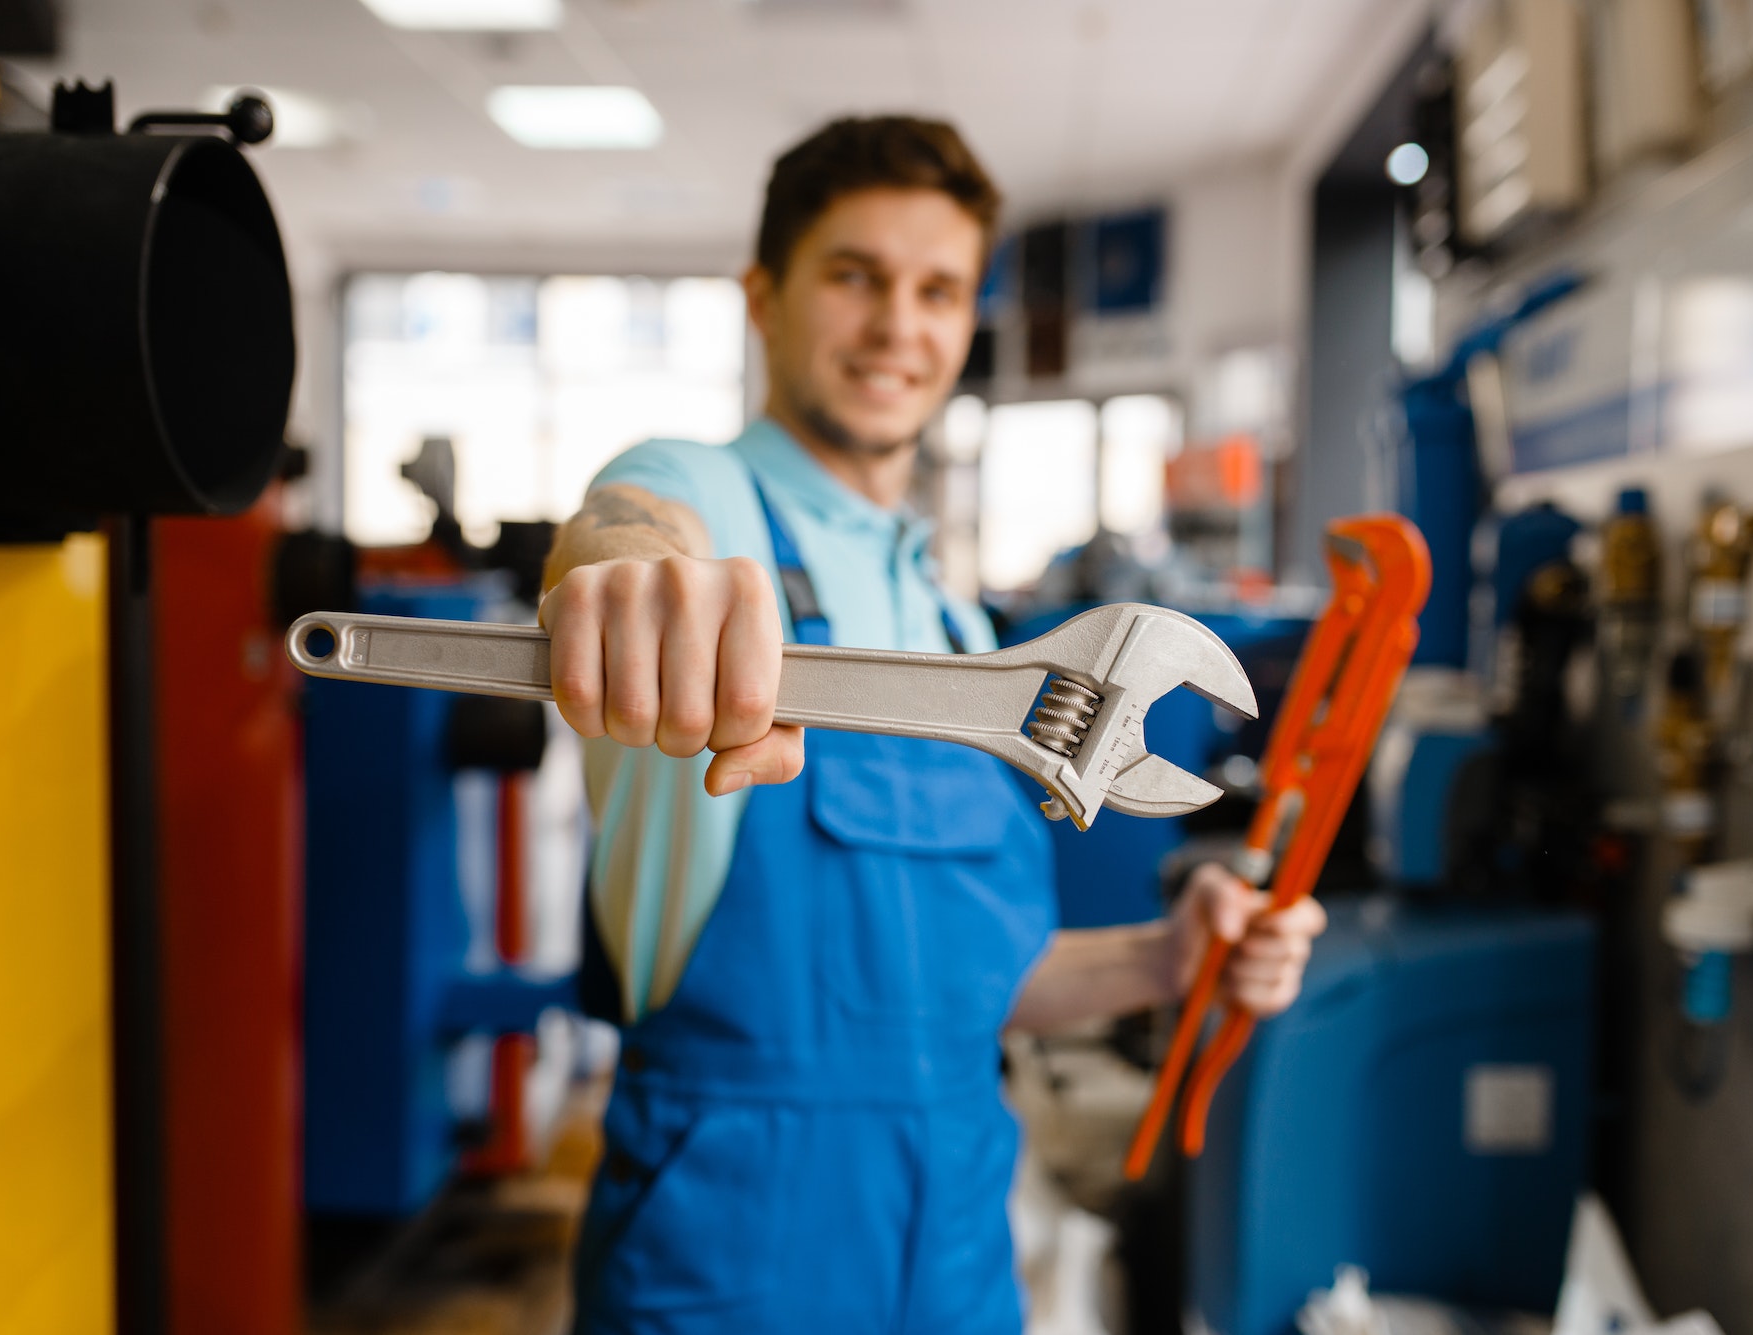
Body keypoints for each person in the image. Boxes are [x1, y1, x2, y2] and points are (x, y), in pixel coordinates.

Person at [541, 115, 1328, 1333]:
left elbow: (973, 978)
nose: (897, 326)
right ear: (765, 297)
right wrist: (635, 579)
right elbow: (627, 524)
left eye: (937, 289)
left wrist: (1163, 960)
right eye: (853, 276)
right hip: (732, 1240)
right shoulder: (705, 494)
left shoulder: (965, 631)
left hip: (956, 1241)